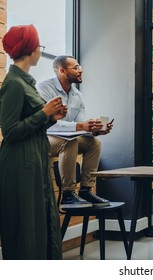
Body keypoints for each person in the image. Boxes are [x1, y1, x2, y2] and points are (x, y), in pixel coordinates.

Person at [0, 25, 66, 259]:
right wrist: (43, 113)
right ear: (30, 49)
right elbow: (9, 131)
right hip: (20, 165)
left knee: (39, 222)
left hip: (34, 160)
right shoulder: (13, 85)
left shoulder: (27, 83)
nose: (40, 50)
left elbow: (31, 125)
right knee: (26, 226)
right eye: (39, 45)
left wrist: (50, 117)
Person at [36, 55, 113, 208]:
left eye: (80, 67)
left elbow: (79, 124)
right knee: (69, 141)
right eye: (76, 67)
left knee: (94, 143)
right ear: (62, 70)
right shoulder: (43, 88)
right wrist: (81, 126)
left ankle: (85, 190)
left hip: (65, 137)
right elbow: (49, 124)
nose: (80, 70)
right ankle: (68, 194)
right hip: (43, 137)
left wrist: (95, 130)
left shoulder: (77, 95)